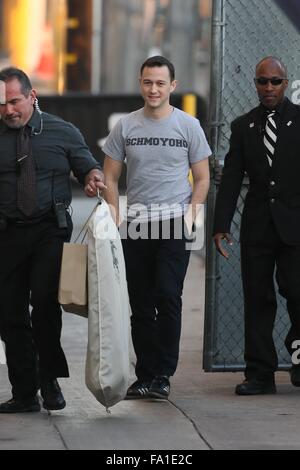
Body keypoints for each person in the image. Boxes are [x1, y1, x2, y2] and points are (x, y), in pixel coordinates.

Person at [103, 56, 211, 399]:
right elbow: (110, 175)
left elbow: (203, 177)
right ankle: (145, 375)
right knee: (141, 304)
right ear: (141, 84)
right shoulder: (126, 127)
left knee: (168, 295)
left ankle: (163, 374)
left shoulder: (188, 126)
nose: (154, 89)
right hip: (136, 227)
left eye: (160, 83)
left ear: (172, 86)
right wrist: (115, 217)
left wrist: (190, 218)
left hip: (173, 225)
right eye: (148, 82)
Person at [0, 67, 106, 413]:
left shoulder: (62, 131)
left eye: (14, 102)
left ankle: (50, 381)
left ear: (32, 96)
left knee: (45, 305)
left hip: (50, 229)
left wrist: (93, 178)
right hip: (7, 234)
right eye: (2, 105)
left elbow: (88, 166)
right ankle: (25, 392)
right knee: (9, 313)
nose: (8, 110)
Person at [213, 56, 300, 395]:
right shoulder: (243, 126)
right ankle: (260, 374)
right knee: (258, 299)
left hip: (295, 225)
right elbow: (232, 178)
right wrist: (221, 225)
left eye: (275, 81)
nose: (268, 88)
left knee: (297, 293)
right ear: (255, 83)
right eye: (262, 81)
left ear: (285, 82)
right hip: (258, 227)